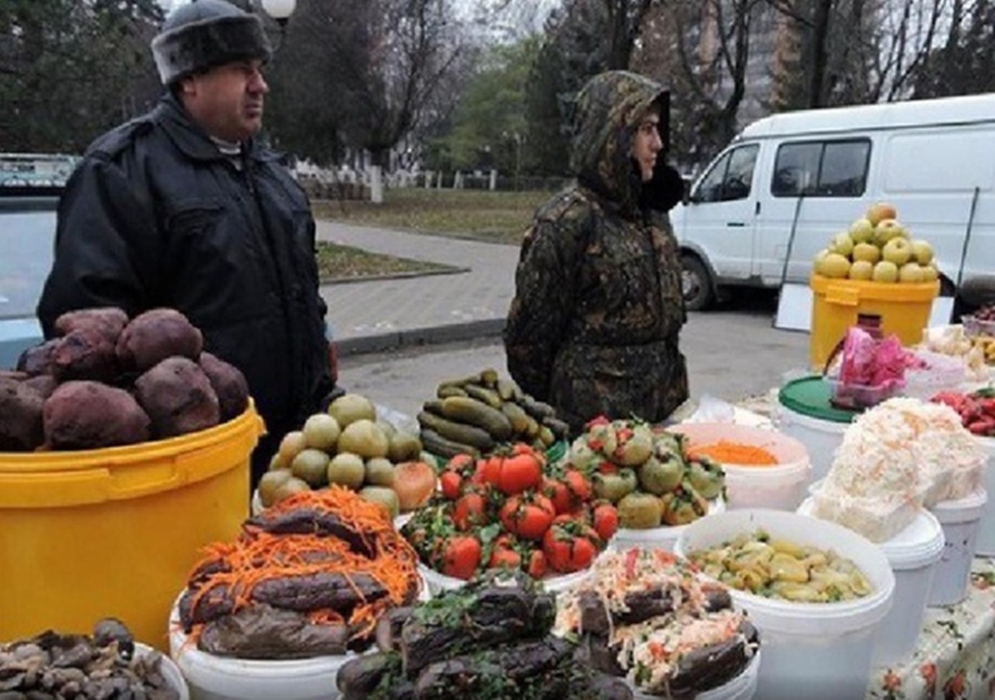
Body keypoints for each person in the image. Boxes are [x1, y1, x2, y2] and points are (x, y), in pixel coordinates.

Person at [36, 0, 338, 490]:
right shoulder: (122, 171)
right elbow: (87, 331)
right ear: (189, 79)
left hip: (298, 455)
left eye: (259, 69)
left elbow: (304, 291)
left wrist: (321, 354)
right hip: (199, 467)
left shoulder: (271, 173)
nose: (260, 85)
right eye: (242, 70)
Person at [504, 70, 688, 435]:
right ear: (614, 135)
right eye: (645, 129)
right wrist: (568, 403)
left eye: (658, 129)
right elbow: (528, 343)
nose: (659, 144)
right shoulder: (568, 221)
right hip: (592, 432)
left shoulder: (651, 212)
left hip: (661, 419)